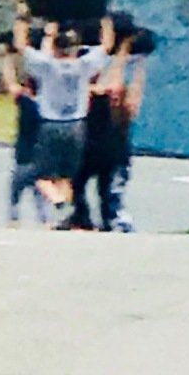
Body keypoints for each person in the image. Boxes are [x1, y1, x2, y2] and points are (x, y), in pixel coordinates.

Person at [15, 9, 117, 225]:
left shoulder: (46, 65)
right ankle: (63, 211)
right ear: (74, 48)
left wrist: (22, 18)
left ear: (54, 47)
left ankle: (59, 202)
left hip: (50, 125)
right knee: (66, 176)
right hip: (77, 126)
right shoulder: (83, 66)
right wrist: (105, 17)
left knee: (42, 176)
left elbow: (21, 45)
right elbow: (107, 46)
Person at [70, 40, 139, 232]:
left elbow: (114, 85)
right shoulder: (79, 88)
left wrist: (123, 54)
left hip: (105, 150)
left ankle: (104, 220)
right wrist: (123, 52)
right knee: (76, 185)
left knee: (104, 191)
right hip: (88, 149)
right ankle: (82, 216)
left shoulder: (103, 93)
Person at [0, 45, 50, 228]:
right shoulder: (48, 107)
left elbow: (10, 83)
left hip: (23, 157)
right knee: (41, 197)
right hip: (42, 160)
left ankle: (14, 220)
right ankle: (45, 222)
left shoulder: (26, 103)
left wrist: (7, 60)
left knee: (14, 194)